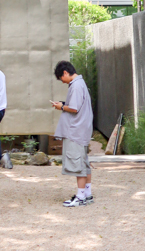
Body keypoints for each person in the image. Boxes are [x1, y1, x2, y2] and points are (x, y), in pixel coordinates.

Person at [51, 60, 94, 207]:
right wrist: (63, 104)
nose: (61, 81)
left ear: (65, 73)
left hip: (75, 130)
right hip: (82, 130)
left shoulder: (76, 85)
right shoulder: (80, 84)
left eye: (60, 78)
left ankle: (80, 196)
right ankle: (87, 194)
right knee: (83, 162)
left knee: (78, 164)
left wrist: (61, 106)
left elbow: (74, 108)